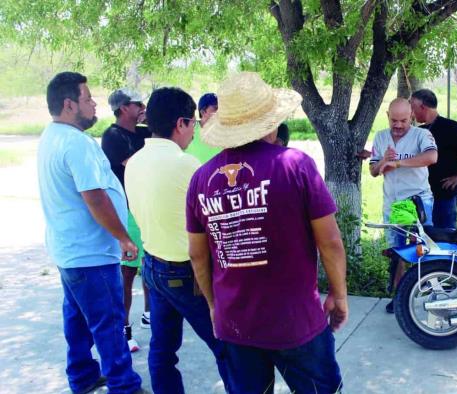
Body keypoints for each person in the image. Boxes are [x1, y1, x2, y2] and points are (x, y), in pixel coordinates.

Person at [186, 72, 348, 393]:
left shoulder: (201, 179)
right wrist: (339, 294)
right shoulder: (295, 165)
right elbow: (329, 241)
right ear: (270, 123)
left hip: (236, 322)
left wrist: (214, 305)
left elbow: (197, 255)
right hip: (297, 320)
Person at [37, 71, 144, 394]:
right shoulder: (74, 143)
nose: (95, 103)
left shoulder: (51, 136)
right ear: (70, 105)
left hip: (70, 250)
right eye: (88, 98)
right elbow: (94, 196)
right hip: (90, 253)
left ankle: (82, 375)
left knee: (77, 318)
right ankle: (124, 385)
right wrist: (123, 238)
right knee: (108, 322)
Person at [124, 87, 232, 393]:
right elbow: (215, 223)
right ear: (181, 123)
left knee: (162, 350)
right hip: (187, 272)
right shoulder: (186, 165)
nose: (195, 132)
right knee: (226, 345)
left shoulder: (135, 161)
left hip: (153, 266)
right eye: (194, 125)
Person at [370, 98, 438, 313]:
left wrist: (399, 162)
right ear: (387, 116)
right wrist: (384, 162)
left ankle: (429, 294)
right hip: (395, 203)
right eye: (394, 121)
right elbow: (373, 170)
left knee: (422, 249)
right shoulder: (381, 137)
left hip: (416, 200)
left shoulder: (422, 135)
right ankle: (400, 297)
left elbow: (431, 157)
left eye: (403, 121)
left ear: (412, 117)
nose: (398, 125)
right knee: (399, 251)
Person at [101, 88, 152, 352]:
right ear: (123, 108)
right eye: (138, 103)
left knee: (149, 263)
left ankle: (148, 315)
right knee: (128, 271)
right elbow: (136, 163)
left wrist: (153, 121)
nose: (142, 107)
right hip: (127, 211)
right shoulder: (112, 136)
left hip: (145, 208)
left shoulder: (143, 132)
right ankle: (124, 328)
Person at [410, 89, 457, 229]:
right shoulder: (419, 131)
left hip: (446, 194)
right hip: (423, 195)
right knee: (424, 238)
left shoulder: (450, 127)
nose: (411, 111)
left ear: (422, 107)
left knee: (445, 237)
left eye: (412, 107)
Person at [185, 92, 221, 163]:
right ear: (203, 112)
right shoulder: (189, 130)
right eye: (216, 108)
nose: (219, 112)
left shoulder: (226, 133)